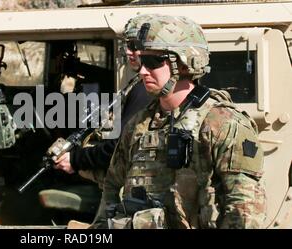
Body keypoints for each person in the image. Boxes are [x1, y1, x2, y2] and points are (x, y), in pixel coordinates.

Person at [92, 14, 266, 229]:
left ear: (183, 63)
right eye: (141, 61)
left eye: (153, 61)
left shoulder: (223, 124)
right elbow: (111, 188)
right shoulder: (139, 124)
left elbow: (244, 210)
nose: (143, 71)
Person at [53, 47, 151, 185]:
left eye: (135, 46)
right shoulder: (137, 82)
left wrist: (76, 160)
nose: (128, 52)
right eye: (127, 46)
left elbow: (119, 147)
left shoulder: (145, 89)